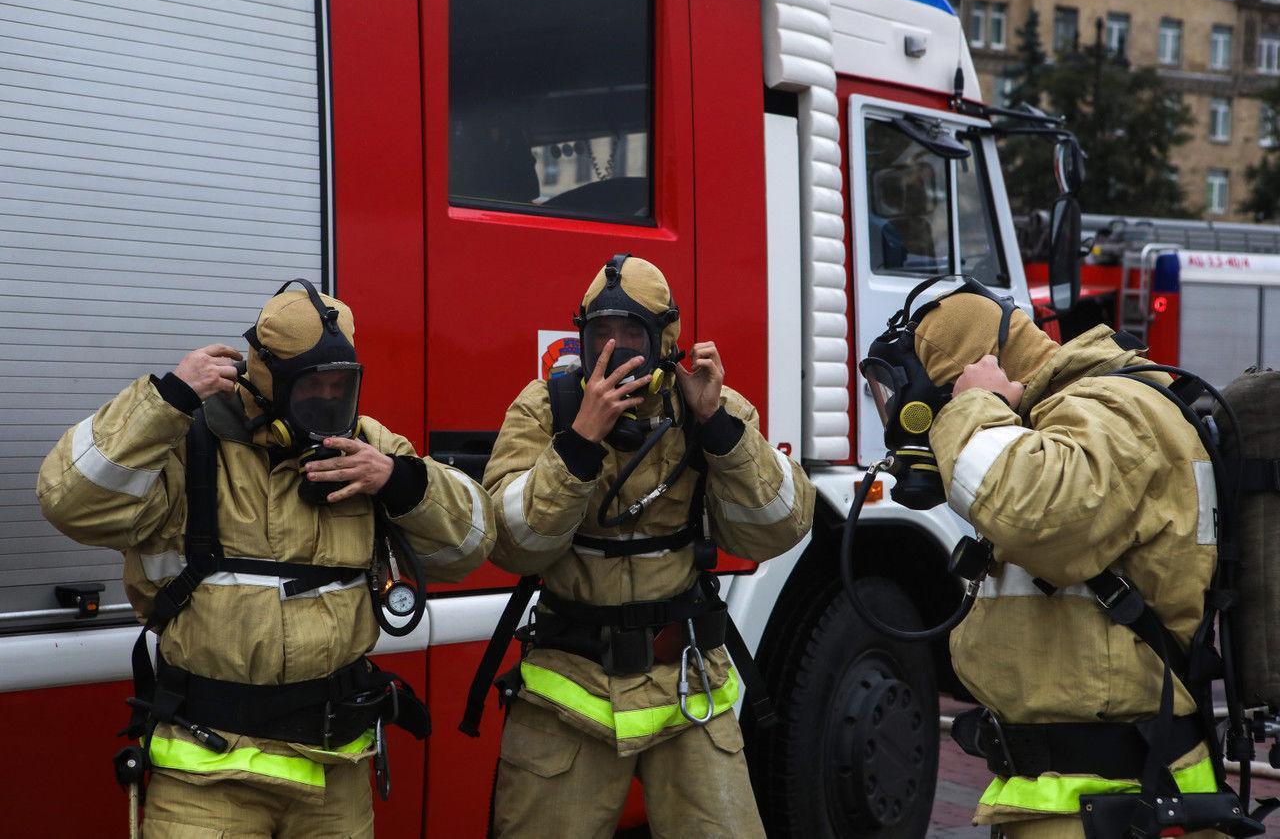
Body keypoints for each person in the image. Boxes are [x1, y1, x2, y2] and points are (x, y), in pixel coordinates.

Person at [37, 280, 494, 837]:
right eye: (310, 387)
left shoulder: (368, 448)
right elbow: (70, 503)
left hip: (336, 775)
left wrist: (397, 479)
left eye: (340, 386)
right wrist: (169, 400)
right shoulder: (189, 446)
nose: (327, 402)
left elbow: (471, 544)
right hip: (207, 779)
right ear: (266, 382)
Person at [481, 254, 815, 837]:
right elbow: (511, 543)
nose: (613, 350)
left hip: (688, 685)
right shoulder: (546, 408)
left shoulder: (706, 407)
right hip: (570, 691)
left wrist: (717, 426)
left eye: (630, 334)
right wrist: (580, 442)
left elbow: (781, 526)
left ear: (666, 341)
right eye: (599, 334)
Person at [912, 291, 1222, 838]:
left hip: (1127, 794)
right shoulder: (1049, 425)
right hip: (1067, 795)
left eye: (947, 392)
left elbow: (1036, 515)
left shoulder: (1117, 406)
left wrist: (973, 406)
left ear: (976, 368)